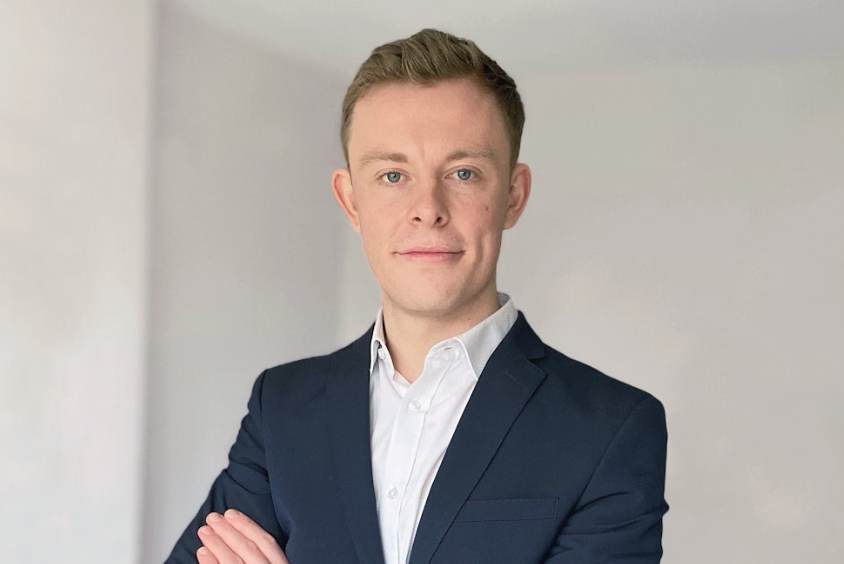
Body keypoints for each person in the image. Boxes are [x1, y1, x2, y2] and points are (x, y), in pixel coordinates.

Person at [165, 27, 669, 564]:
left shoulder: (609, 428)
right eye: (392, 175)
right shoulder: (282, 409)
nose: (428, 208)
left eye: (464, 172)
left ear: (513, 196)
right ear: (350, 200)